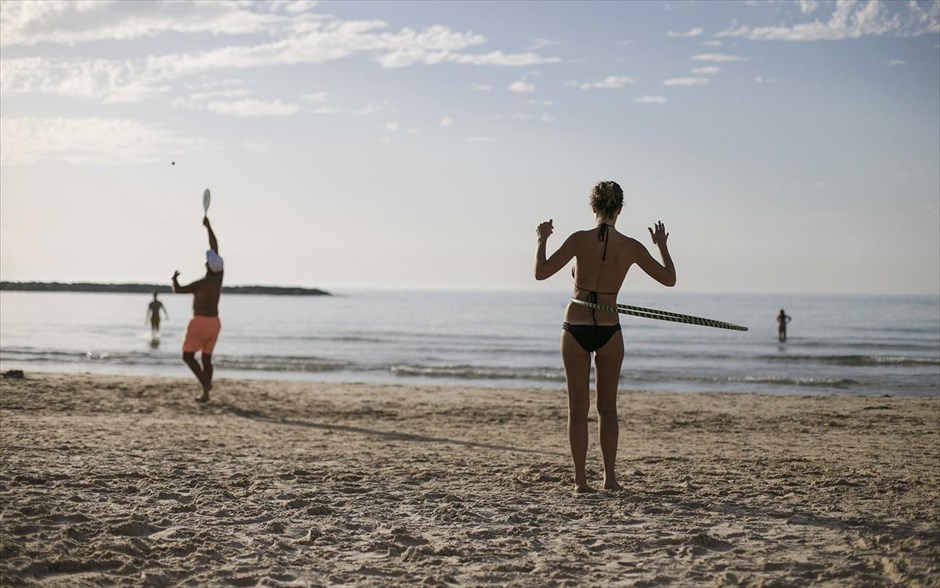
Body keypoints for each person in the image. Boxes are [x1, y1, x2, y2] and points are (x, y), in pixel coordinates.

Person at [534, 181, 676, 494]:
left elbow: (541, 272)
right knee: (607, 409)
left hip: (575, 328)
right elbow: (669, 279)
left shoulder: (578, 240)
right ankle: (609, 478)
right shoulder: (632, 246)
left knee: (577, 409)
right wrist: (661, 245)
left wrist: (542, 240)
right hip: (610, 330)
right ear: (620, 209)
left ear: (592, 207)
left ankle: (580, 481)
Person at [172, 216, 223, 402]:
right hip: (215, 323)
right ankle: (206, 394)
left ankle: (205, 385)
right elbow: (215, 246)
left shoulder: (200, 285)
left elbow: (178, 290)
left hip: (200, 322)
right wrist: (209, 227)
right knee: (207, 359)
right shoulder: (219, 278)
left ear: (207, 266)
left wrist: (174, 278)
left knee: (187, 356)